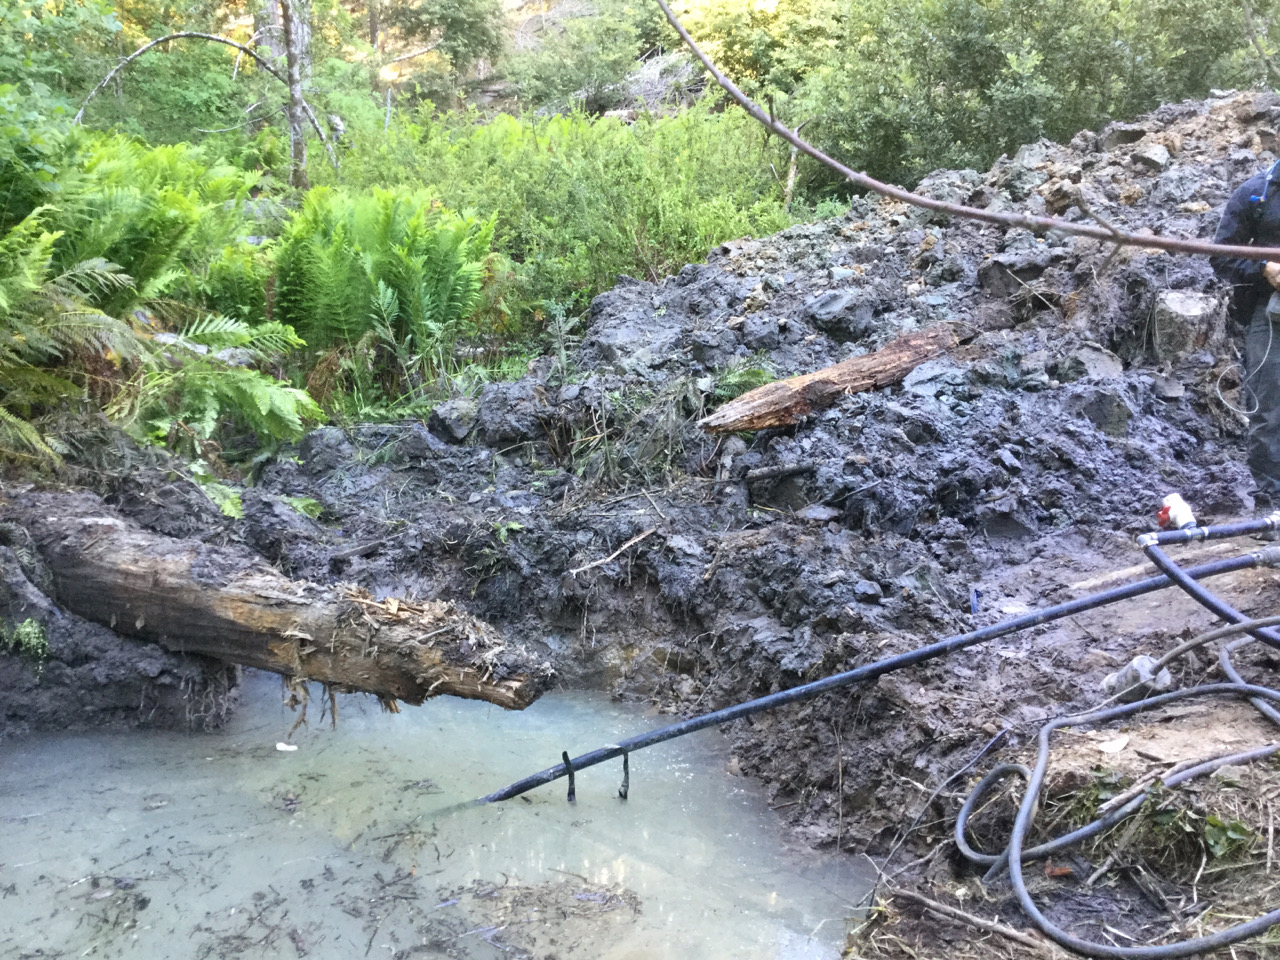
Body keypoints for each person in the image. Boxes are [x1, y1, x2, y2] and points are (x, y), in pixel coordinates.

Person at [1213, 159, 1280, 505]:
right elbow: (1220, 255)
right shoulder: (1256, 193)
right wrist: (1264, 268)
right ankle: (1272, 506)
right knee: (1268, 410)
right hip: (1270, 318)